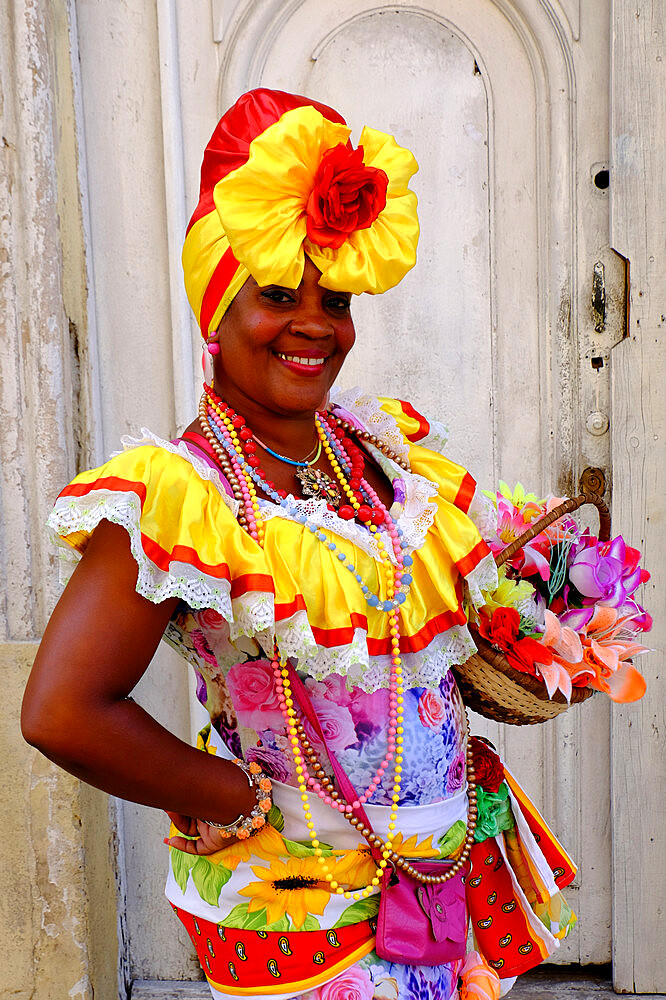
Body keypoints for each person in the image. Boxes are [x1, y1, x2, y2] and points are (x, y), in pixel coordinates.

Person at [22, 89, 576, 1000]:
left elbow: (412, 643)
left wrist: (545, 639)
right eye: (278, 296)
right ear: (215, 309)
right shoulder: (184, 496)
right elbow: (62, 712)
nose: (316, 323)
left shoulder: (379, 460)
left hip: (434, 900)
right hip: (306, 926)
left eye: (337, 298)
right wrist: (240, 800)